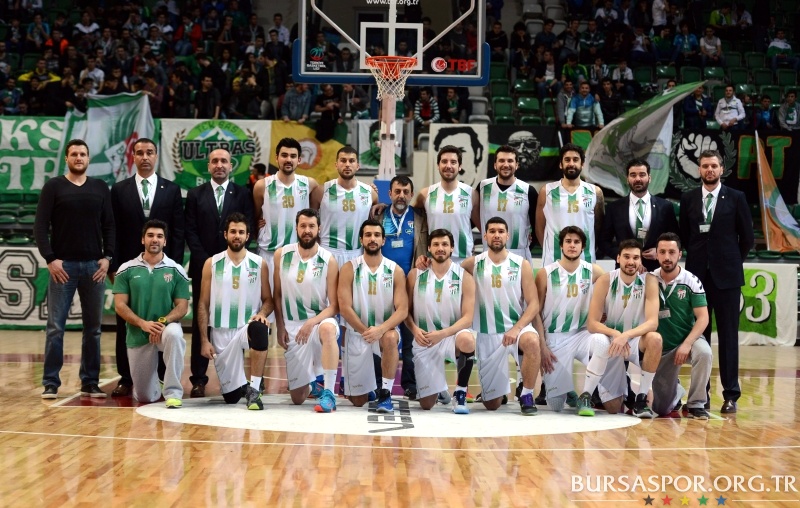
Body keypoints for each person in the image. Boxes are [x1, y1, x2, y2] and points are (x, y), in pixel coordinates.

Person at [34, 139, 115, 399]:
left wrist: (107, 257)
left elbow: (109, 225)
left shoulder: (100, 187)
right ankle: (50, 382)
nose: (79, 158)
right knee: (55, 327)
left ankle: (90, 381)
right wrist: (50, 259)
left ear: (88, 159)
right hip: (63, 267)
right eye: (74, 154)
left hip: (94, 267)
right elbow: (40, 226)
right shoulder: (53, 186)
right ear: (66, 159)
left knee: (93, 329)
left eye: (83, 154)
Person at [679, 150, 753, 414]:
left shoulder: (736, 197)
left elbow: (747, 238)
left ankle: (731, 395)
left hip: (727, 279)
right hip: (697, 278)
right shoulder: (688, 198)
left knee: (729, 337)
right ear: (698, 169)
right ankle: (702, 395)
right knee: (700, 337)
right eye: (704, 166)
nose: (709, 170)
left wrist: (730, 261)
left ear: (722, 169)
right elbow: (685, 236)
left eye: (713, 166)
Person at [109, 138, 185, 397]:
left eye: (149, 152)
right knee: (125, 321)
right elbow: (113, 229)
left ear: (156, 156)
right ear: (133, 156)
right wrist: (114, 265)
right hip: (129, 268)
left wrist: (173, 267)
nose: (145, 157)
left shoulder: (171, 189)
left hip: (163, 268)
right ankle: (125, 377)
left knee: (164, 320)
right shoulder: (119, 189)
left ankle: (164, 375)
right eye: (139, 152)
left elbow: (177, 231)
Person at [185, 148, 254, 398]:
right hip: (204, 267)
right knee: (201, 321)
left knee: (238, 322)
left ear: (231, 165)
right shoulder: (195, 194)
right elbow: (190, 230)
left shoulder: (242, 193)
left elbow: (247, 228)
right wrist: (208, 262)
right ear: (208, 166)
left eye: (224, 161)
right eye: (214, 161)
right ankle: (198, 379)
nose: (219, 165)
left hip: (236, 269)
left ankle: (239, 379)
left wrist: (231, 260)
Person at [462, 217, 542, 415]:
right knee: (492, 405)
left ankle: (526, 394)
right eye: (492, 231)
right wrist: (424, 262)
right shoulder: (473, 263)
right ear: (485, 236)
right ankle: (499, 391)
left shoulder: (521, 264)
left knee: (532, 341)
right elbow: (447, 272)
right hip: (487, 333)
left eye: (500, 231)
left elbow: (534, 303)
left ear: (507, 236)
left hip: (516, 329)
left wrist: (517, 328)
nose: (496, 235)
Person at [197, 213, 274, 410]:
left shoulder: (259, 263)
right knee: (231, 397)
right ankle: (243, 386)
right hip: (221, 332)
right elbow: (203, 304)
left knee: (260, 328)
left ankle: (254, 389)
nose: (237, 236)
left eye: (241, 232)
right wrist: (204, 340)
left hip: (246, 328)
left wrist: (262, 314)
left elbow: (268, 300)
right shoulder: (211, 263)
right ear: (226, 234)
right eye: (233, 231)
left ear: (248, 236)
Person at [582, 240, 663, 418]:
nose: (631, 262)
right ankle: (611, 389)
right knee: (613, 408)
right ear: (618, 258)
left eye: (635, 257)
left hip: (633, 341)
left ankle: (641, 399)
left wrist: (626, 335)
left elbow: (652, 323)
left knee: (655, 339)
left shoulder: (649, 280)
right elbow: (592, 323)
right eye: (626, 257)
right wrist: (615, 334)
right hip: (611, 343)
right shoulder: (605, 280)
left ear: (640, 260)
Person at [112, 220, 189, 408]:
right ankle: (155, 383)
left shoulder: (176, 270)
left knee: (175, 334)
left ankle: (173, 392)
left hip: (164, 329)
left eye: (159, 236)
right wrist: (143, 324)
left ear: (165, 241)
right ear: (142, 239)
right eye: (150, 235)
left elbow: (182, 307)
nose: (155, 239)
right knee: (145, 397)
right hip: (138, 333)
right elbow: (120, 305)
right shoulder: (126, 269)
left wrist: (162, 322)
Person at [273, 209, 340, 413]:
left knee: (328, 329)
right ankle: (312, 385)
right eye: (303, 226)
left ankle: (329, 393)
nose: (307, 230)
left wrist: (312, 322)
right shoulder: (281, 255)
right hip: (293, 327)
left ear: (319, 229)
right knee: (297, 398)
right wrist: (280, 327)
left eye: (311, 226)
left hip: (318, 323)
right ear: (296, 228)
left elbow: (334, 306)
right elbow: (277, 295)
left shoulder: (328, 259)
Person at [338, 220, 409, 413]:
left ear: (383, 240)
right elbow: (344, 308)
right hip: (358, 334)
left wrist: (380, 330)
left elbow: (402, 310)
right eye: (368, 235)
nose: (372, 239)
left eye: (377, 235)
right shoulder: (348, 268)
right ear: (361, 239)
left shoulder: (395, 270)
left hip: (383, 333)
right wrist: (367, 332)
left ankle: (385, 394)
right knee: (358, 401)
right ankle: (369, 389)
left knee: (391, 337)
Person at [405, 229, 476, 413]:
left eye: (445, 244)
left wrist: (442, 334)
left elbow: (468, 318)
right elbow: (405, 312)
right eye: (435, 245)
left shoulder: (464, 277)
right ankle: (441, 389)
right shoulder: (415, 275)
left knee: (467, 340)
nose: (440, 248)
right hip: (425, 339)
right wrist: (414, 330)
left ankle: (460, 393)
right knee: (426, 405)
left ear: (452, 248)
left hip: (451, 336)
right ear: (428, 248)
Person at [535, 227, 605, 413]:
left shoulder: (594, 271)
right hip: (555, 337)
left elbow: (615, 284)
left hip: (582, 334)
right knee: (556, 405)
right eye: (568, 241)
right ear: (561, 245)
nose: (572, 245)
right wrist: (542, 345)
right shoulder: (545, 273)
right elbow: (536, 313)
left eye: (576, 242)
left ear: (583, 247)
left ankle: (586, 396)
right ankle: (567, 390)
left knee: (602, 342)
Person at [372, 176, 429, 400]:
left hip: (411, 285)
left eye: (406, 192)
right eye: (397, 191)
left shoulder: (421, 217)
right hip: (382, 284)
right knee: (382, 335)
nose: (401, 196)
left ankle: (410, 384)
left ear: (412, 194)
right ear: (389, 194)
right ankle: (378, 383)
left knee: (409, 337)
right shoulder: (378, 215)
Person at [650, 233, 712, 419]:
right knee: (661, 409)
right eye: (662, 252)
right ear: (656, 254)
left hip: (688, 339)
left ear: (679, 254)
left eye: (671, 252)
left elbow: (703, 318)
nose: (667, 257)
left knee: (704, 353)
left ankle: (696, 404)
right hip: (662, 347)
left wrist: (687, 344)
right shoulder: (649, 280)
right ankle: (676, 391)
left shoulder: (691, 281)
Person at [254, 137, 320, 290]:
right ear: (276, 158)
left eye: (293, 156)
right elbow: (255, 215)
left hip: (299, 255)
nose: (288, 159)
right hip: (269, 253)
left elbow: (316, 213)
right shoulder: (262, 186)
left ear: (299, 160)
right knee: (269, 301)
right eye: (284, 155)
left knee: (296, 302)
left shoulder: (310, 184)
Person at [599, 159, 679, 272]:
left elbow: (675, 238)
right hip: (626, 269)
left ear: (649, 178)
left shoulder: (665, 207)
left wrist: (659, 252)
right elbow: (603, 241)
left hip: (657, 269)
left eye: (642, 175)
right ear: (627, 179)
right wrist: (624, 256)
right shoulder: (614, 208)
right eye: (633, 175)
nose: (637, 179)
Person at [536, 143, 604, 266]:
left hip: (585, 259)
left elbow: (599, 227)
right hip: (553, 260)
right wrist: (548, 249)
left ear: (582, 164)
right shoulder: (546, 191)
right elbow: (539, 228)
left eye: (575, 160)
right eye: (567, 160)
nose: (571, 163)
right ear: (560, 164)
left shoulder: (595, 192)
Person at [311, 146, 376, 269]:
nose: (347, 164)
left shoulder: (369, 192)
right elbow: (310, 220)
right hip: (327, 252)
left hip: (357, 253)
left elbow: (377, 211)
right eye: (343, 160)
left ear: (358, 165)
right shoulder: (321, 191)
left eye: (351, 161)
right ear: (336, 164)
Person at [413, 145, 480, 265]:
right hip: (435, 259)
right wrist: (383, 207)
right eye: (444, 161)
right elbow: (407, 214)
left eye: (453, 162)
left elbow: (483, 226)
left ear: (460, 166)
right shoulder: (425, 194)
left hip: (464, 260)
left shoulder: (472, 194)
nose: (448, 166)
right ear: (438, 165)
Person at [477, 145, 537, 262]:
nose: (506, 165)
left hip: (518, 255)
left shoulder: (528, 191)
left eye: (510, 161)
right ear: (495, 165)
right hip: (488, 254)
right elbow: (471, 215)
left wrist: (528, 246)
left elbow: (537, 225)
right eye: (501, 161)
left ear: (517, 165)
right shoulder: (483, 187)